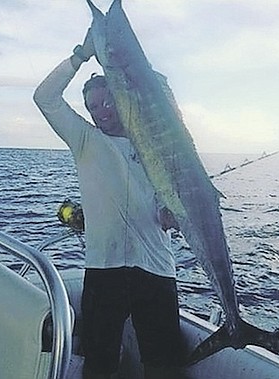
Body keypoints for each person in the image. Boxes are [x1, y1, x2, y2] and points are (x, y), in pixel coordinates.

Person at [34, 30, 182, 379]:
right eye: (93, 107)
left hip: (157, 268)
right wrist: (80, 55)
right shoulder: (85, 139)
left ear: (120, 97)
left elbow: (167, 204)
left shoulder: (154, 144)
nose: (101, 111)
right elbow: (45, 97)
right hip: (105, 269)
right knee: (99, 364)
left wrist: (171, 214)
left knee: (163, 366)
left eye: (107, 102)